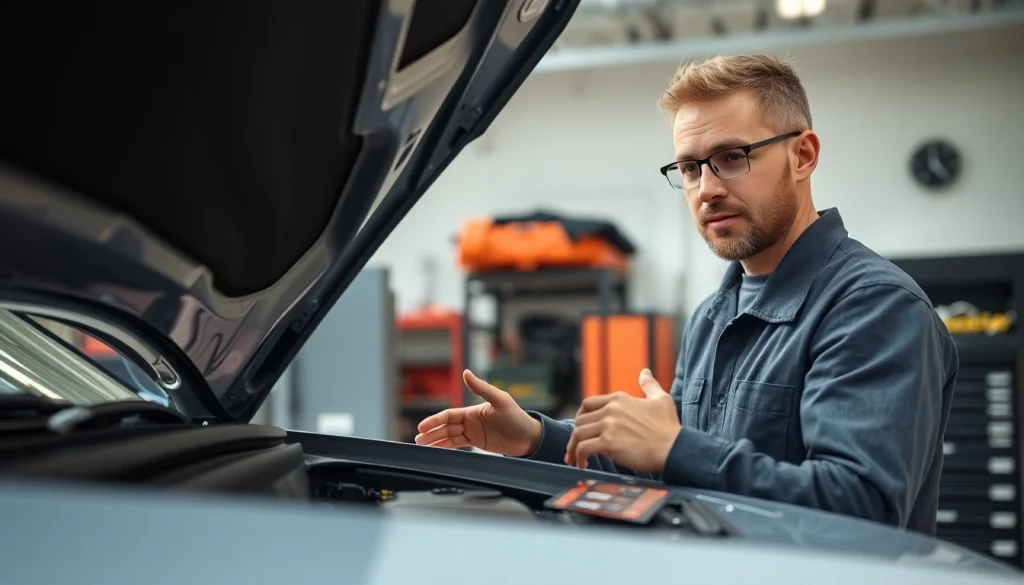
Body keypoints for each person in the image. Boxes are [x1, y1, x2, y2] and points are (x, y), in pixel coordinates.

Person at [415, 54, 958, 536]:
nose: (707, 188)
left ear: (803, 156)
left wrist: (677, 447)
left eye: (732, 157)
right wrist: (538, 439)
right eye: (691, 167)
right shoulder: (714, 314)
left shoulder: (873, 308)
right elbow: (666, 470)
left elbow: (862, 513)